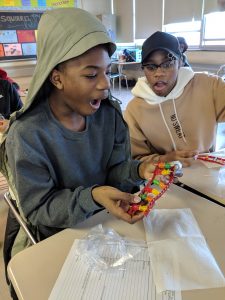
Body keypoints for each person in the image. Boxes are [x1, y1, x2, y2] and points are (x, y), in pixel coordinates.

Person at [1, 9, 182, 261]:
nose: (106, 84)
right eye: (91, 74)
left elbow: (116, 170)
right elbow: (39, 208)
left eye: (107, 71)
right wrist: (93, 196)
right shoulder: (28, 135)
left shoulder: (109, 115)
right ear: (57, 78)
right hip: (59, 237)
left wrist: (139, 171)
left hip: (108, 225)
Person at [124, 31, 225, 167]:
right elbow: (137, 161)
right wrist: (165, 159)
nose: (159, 73)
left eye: (167, 64)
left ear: (180, 62)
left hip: (207, 173)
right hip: (165, 179)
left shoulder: (209, 85)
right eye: (150, 67)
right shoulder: (134, 110)